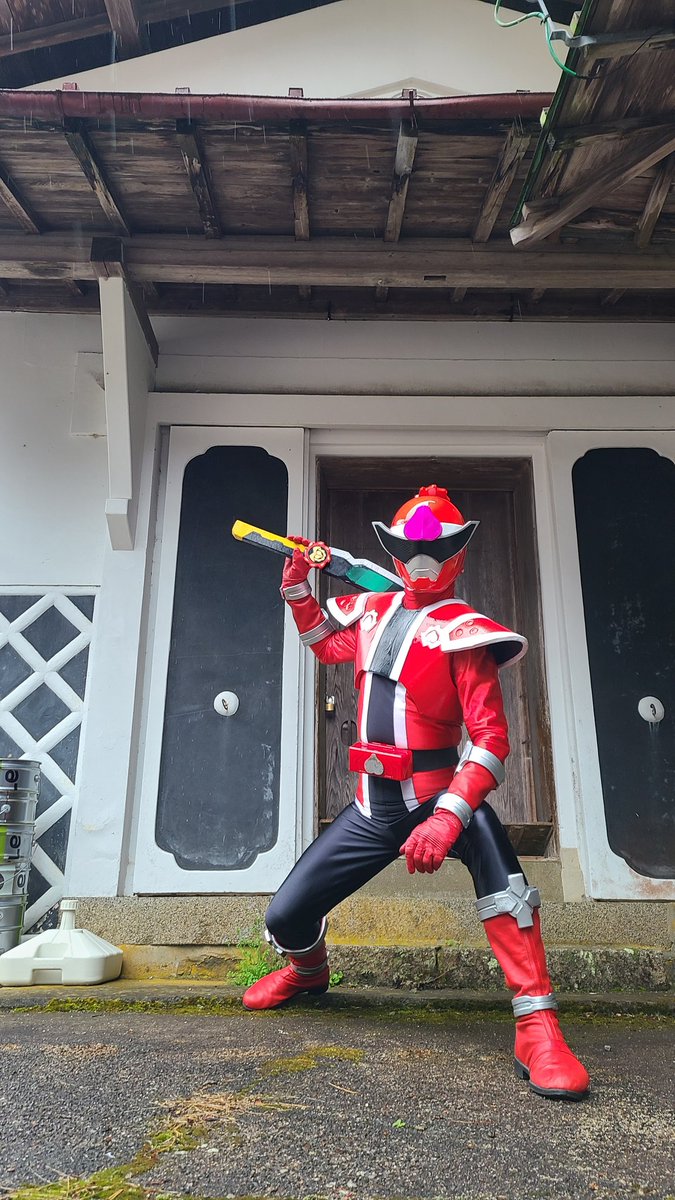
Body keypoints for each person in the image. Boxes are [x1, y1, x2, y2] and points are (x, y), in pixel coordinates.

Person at [243, 485, 589, 1101]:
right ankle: (308, 972)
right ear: (392, 551)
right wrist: (297, 588)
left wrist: (449, 817)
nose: (422, 561)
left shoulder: (465, 634)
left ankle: (538, 1027)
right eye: (409, 549)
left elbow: (490, 740)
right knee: (286, 915)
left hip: (439, 796)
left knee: (509, 890)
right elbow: (326, 643)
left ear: (460, 553)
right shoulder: (372, 610)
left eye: (438, 549)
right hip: (372, 804)